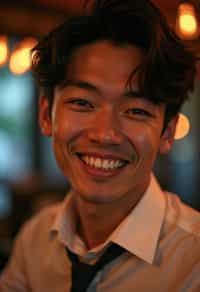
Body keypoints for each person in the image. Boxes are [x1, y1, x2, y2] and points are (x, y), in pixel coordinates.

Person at [1, 0, 200, 291]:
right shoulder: (35, 239)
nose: (106, 134)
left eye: (136, 111)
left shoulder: (192, 262)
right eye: (83, 103)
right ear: (46, 115)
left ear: (167, 133)